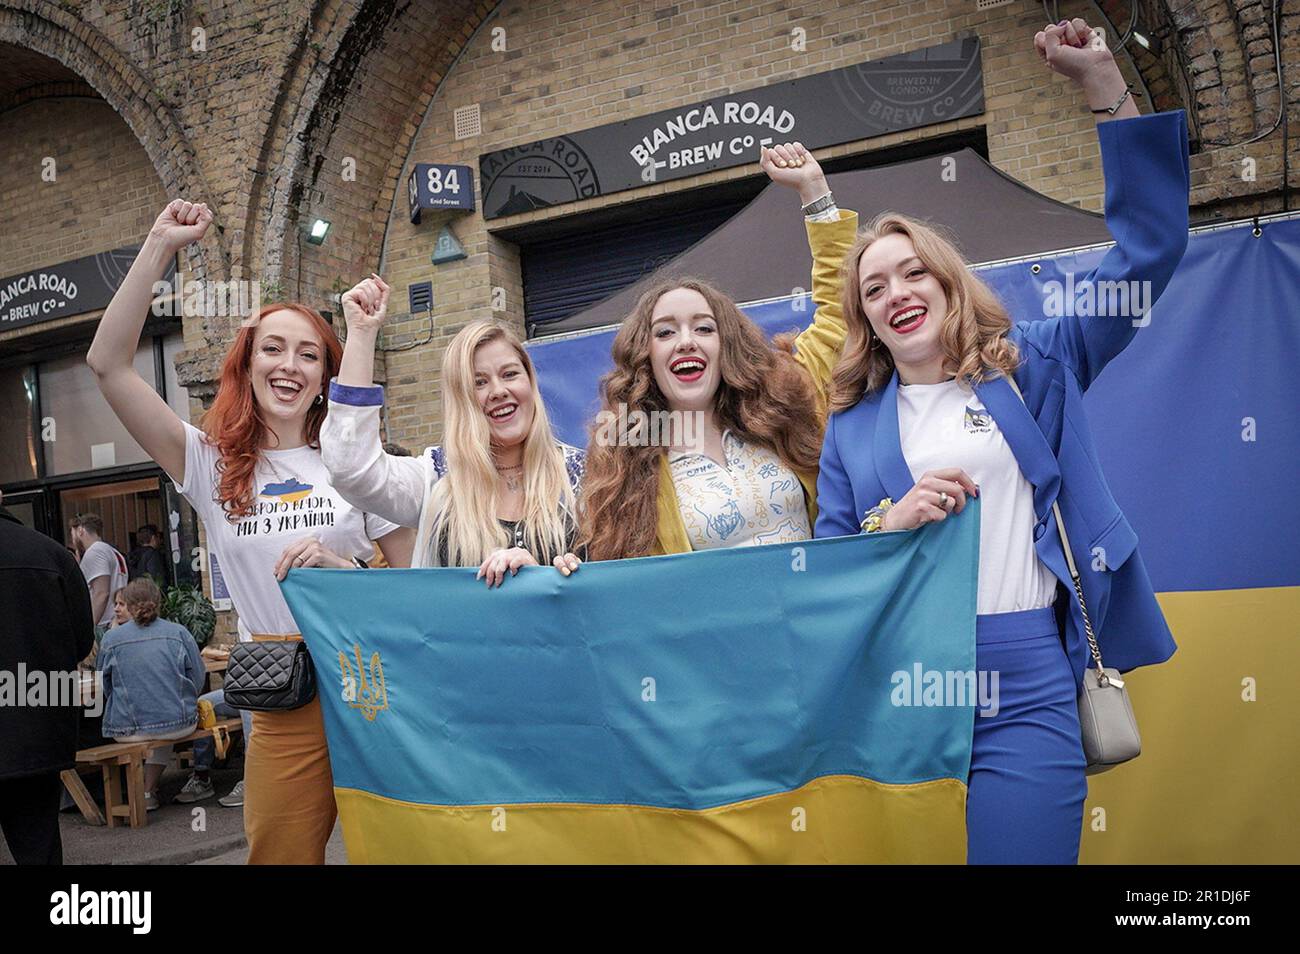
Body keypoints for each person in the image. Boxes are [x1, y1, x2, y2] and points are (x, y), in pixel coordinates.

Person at [813, 19, 1190, 864]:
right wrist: (893, 521)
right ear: (864, 317)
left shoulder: (1037, 368)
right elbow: (828, 562)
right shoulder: (852, 426)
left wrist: (1104, 88)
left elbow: (1151, 251)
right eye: (874, 287)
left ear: (948, 284)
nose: (897, 292)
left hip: (1026, 678)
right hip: (908, 691)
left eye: (914, 272)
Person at [88, 199, 415, 863]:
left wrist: (347, 571)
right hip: (282, 690)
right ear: (248, 364)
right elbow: (109, 366)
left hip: (371, 679)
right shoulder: (209, 462)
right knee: (280, 855)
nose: (289, 366)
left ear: (326, 376)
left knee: (406, 849)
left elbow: (416, 586)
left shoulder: (359, 461)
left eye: (307, 354)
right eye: (273, 349)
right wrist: (157, 248)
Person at [578, 144, 857, 559]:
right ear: (646, 358)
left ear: (726, 346)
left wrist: (814, 192)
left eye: (704, 327)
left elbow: (839, 315)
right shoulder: (627, 460)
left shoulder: (783, 403)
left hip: (816, 620)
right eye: (666, 332)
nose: (686, 340)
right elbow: (613, 580)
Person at [321, 279, 583, 581]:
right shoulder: (436, 479)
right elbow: (349, 467)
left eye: (510, 374)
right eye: (479, 382)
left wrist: (543, 577)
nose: (498, 391)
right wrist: (362, 335)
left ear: (530, 382)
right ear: (461, 400)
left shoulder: (583, 475)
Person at [0, 502, 96, 863]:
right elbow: (82, 642)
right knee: (38, 846)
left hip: (33, 726)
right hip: (35, 726)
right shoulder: (52, 555)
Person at [97, 578, 205, 811]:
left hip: (126, 730)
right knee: (163, 718)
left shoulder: (111, 639)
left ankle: (141, 791)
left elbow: (103, 685)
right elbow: (198, 678)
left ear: (128, 603)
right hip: (179, 723)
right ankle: (147, 791)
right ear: (158, 602)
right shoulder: (178, 632)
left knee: (154, 720)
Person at [69, 513, 129, 641]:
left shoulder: (95, 551)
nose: (72, 541)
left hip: (103, 625)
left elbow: (101, 593)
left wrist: (88, 628)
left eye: (72, 534)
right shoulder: (112, 551)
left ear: (80, 530)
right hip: (114, 622)